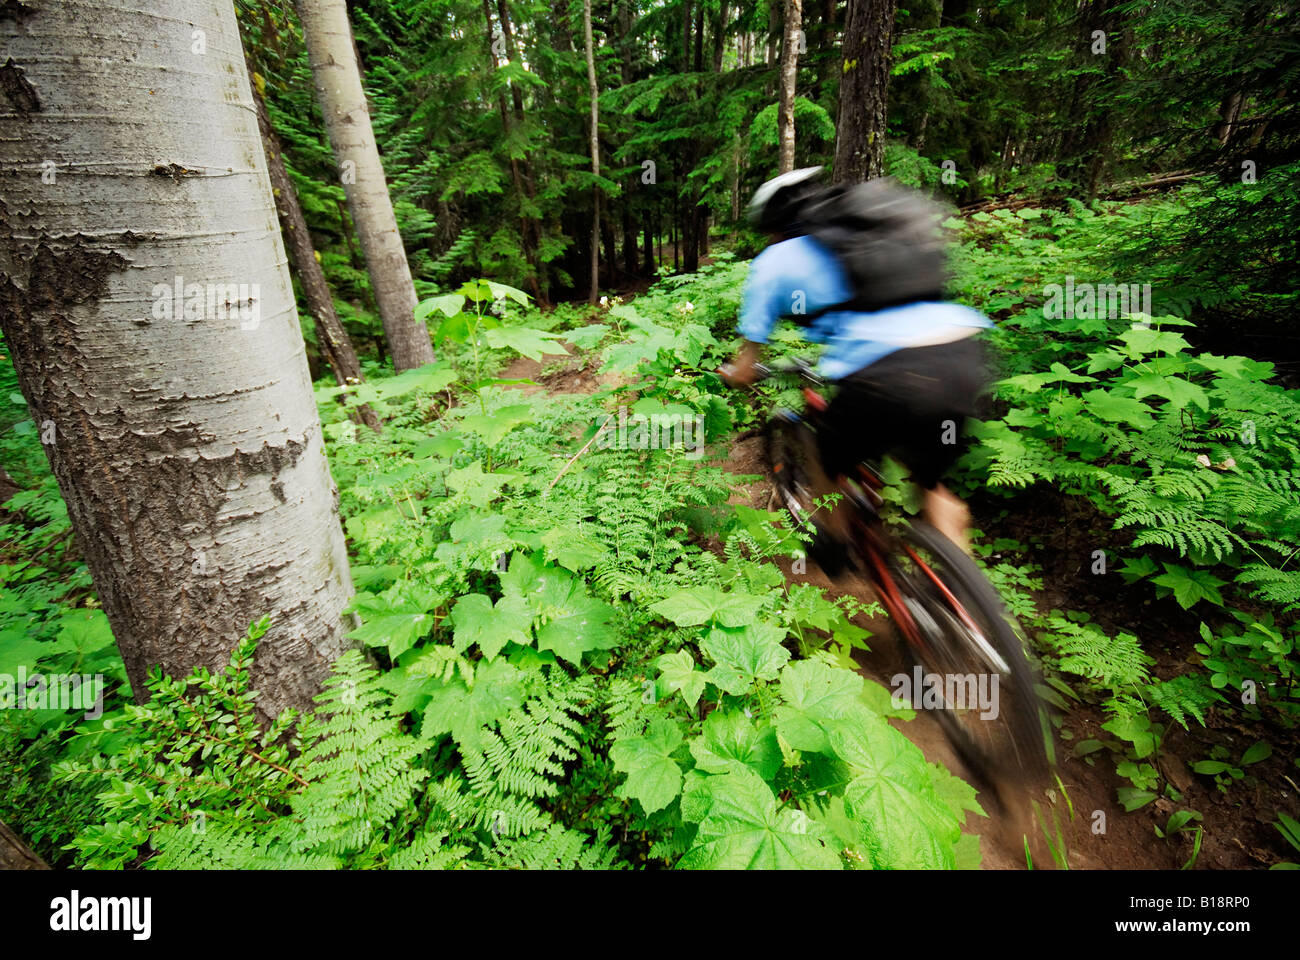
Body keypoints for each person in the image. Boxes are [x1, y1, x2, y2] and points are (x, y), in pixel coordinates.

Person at [720, 167, 992, 564]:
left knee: (828, 458)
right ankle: (968, 619)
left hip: (886, 372)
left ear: (771, 227)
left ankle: (836, 544)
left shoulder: (773, 262)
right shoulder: (876, 237)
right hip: (960, 353)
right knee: (931, 484)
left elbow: (746, 365)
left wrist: (734, 376)